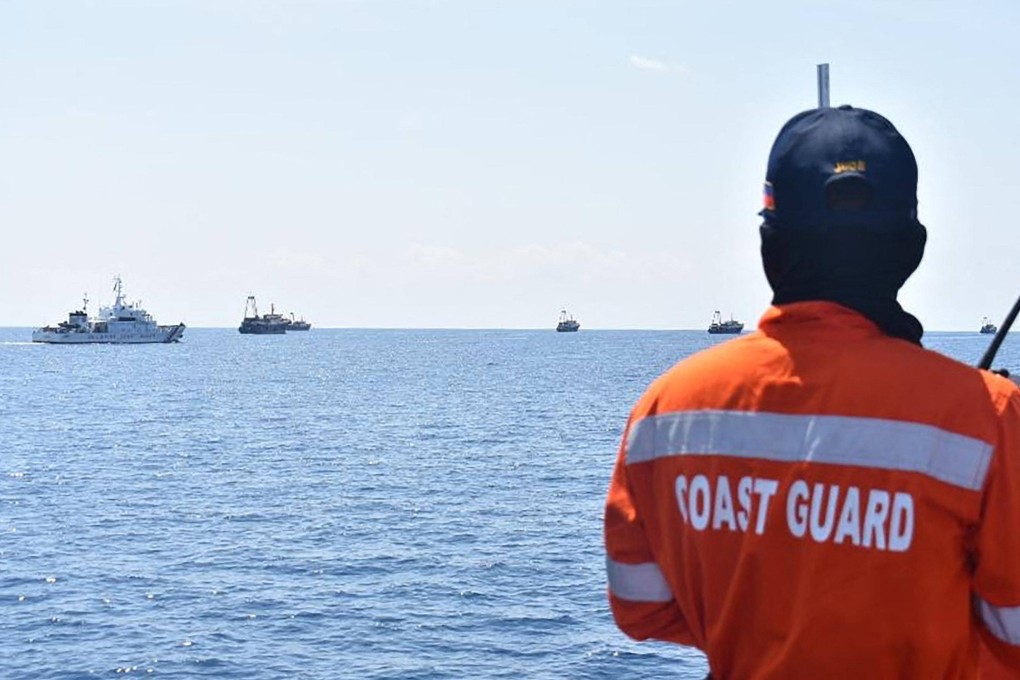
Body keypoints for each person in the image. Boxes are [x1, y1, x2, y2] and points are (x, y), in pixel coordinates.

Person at [603, 104, 1020, 679]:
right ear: (910, 246)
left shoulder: (665, 410)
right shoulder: (987, 416)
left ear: (770, 242)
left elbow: (640, 606)